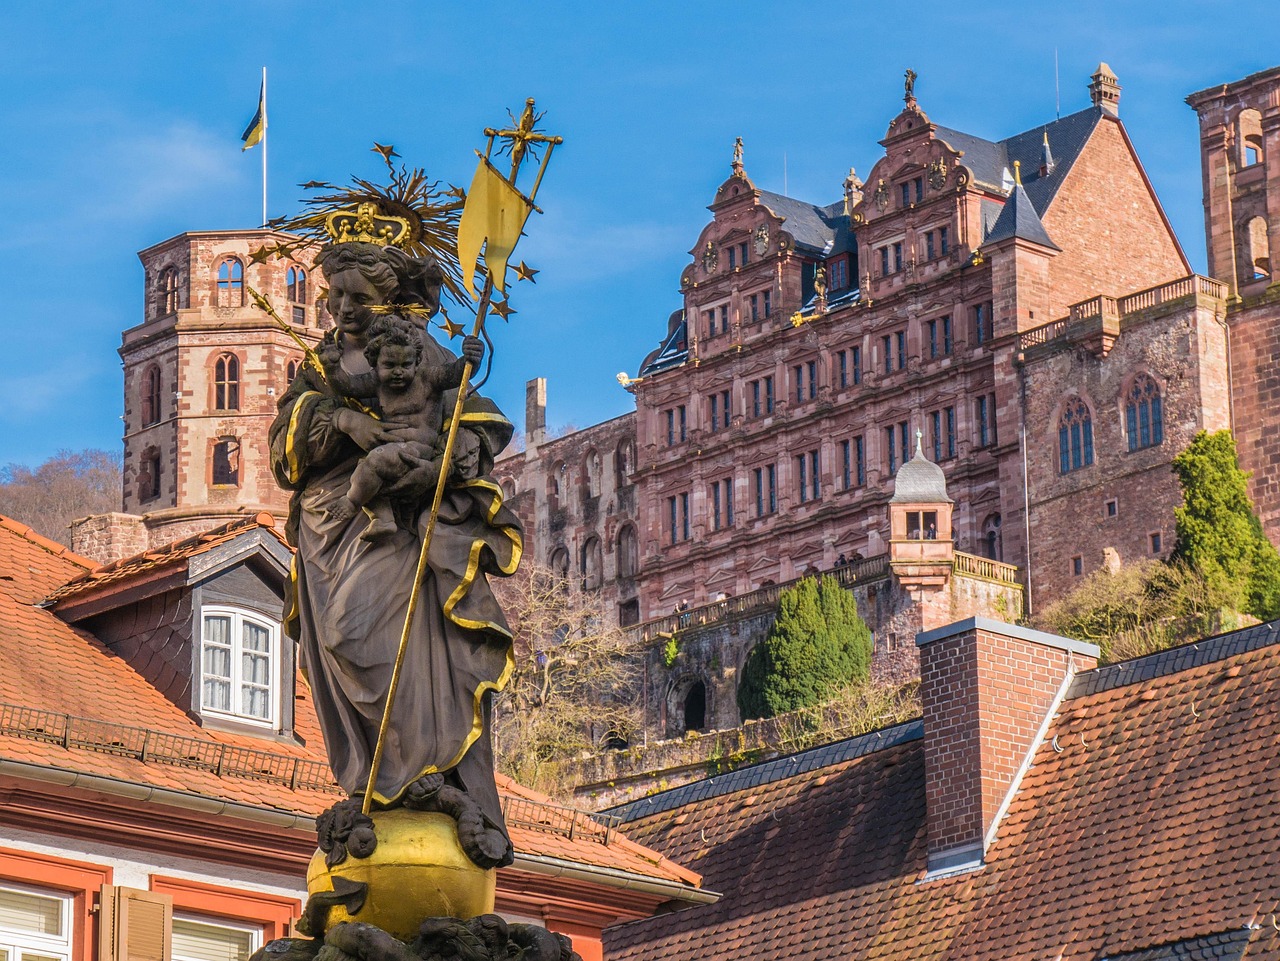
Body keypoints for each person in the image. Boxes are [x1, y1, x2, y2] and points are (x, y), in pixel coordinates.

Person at [269, 238, 521, 869]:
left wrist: (457, 449)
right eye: (336, 295)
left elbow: (472, 416)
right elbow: (283, 453)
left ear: (388, 299)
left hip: (402, 526)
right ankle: (374, 778)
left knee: (369, 638)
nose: (343, 307)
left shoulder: (416, 349)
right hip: (328, 526)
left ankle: (422, 773)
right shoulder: (321, 365)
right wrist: (342, 421)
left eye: (359, 296)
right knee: (335, 645)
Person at [324, 315, 477, 542]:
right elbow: (347, 386)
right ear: (375, 363)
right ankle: (383, 518)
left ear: (417, 362)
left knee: (373, 464)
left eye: (406, 365)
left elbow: (456, 374)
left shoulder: (427, 378)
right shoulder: (377, 382)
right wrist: (331, 366)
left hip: (417, 449)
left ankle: (351, 502)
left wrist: (471, 358)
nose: (398, 372)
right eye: (389, 365)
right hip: (391, 448)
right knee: (366, 474)